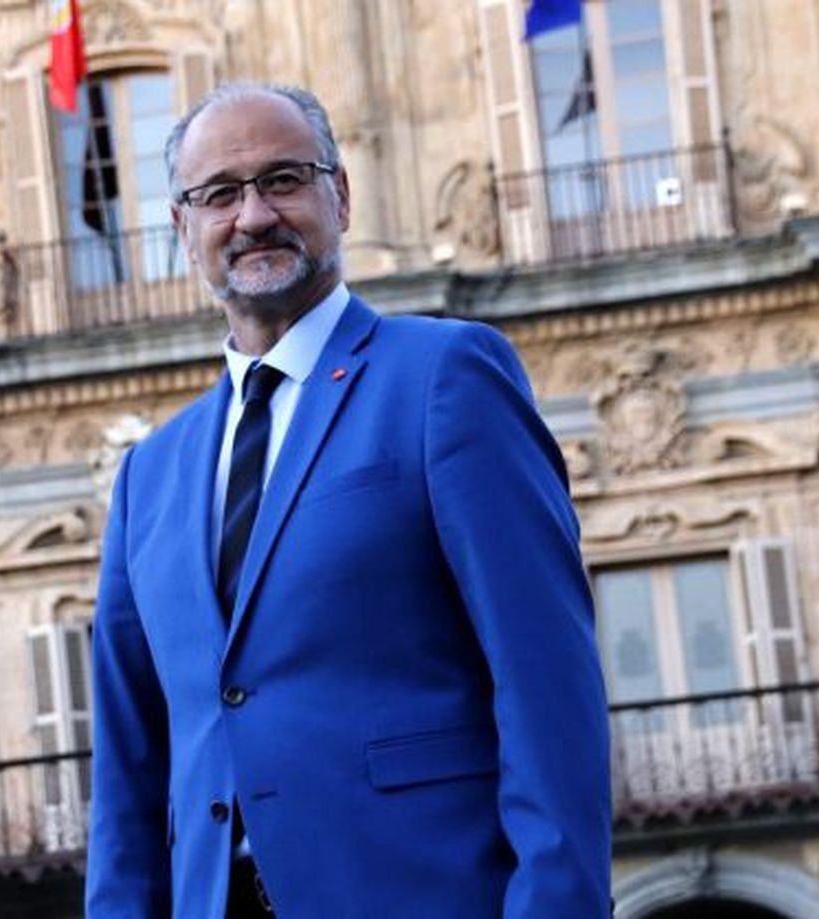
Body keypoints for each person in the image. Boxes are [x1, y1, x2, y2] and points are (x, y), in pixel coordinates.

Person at [84, 83, 611, 918]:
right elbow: (127, 772)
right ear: (183, 230)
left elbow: (546, 683)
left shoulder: (444, 378)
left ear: (341, 196)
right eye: (219, 194)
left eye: (285, 178)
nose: (254, 214)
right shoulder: (148, 474)